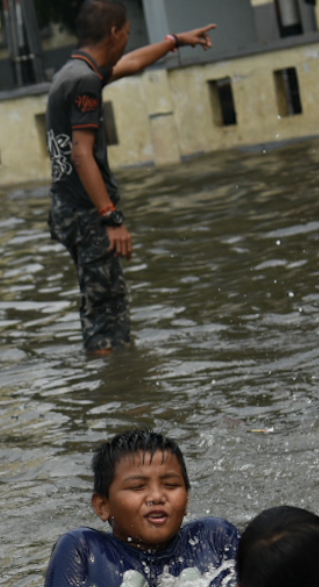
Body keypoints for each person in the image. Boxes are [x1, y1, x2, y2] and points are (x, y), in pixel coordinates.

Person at [46, 2, 215, 353]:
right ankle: (114, 381)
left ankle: (112, 376)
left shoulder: (72, 72)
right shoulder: (85, 81)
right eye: (126, 32)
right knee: (107, 311)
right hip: (87, 212)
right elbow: (81, 154)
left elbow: (132, 63)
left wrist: (175, 41)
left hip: (66, 208)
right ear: (114, 33)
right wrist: (111, 218)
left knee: (99, 302)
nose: (127, 39)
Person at [39, 429, 244, 587]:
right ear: (103, 505)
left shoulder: (214, 539)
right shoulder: (84, 550)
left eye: (171, 485)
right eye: (137, 487)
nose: (157, 497)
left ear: (187, 499)